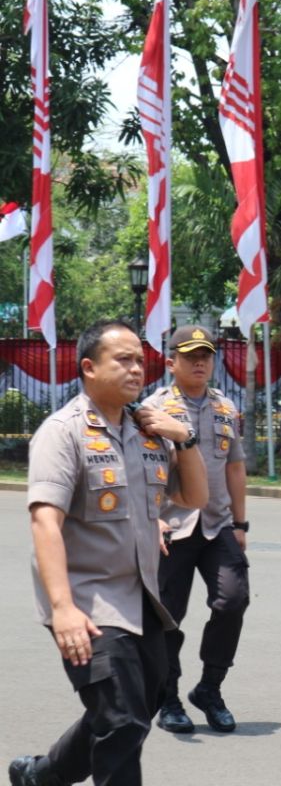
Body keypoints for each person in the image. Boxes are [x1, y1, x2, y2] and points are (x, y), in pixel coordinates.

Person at [9, 319, 208, 786]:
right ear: (88, 368)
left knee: (139, 706)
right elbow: (45, 522)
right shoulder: (63, 432)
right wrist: (62, 610)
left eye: (140, 360)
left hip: (142, 600)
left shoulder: (150, 430)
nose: (137, 369)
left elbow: (194, 499)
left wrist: (186, 438)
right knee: (122, 722)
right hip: (90, 604)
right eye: (123, 360)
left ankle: (44, 775)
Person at [143, 325, 249, 734]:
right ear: (171, 363)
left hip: (218, 523)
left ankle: (210, 687)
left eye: (205, 354)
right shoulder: (153, 410)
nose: (200, 362)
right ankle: (168, 698)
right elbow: (143, 473)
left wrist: (241, 523)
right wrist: (151, 519)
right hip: (172, 526)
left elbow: (235, 467)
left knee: (233, 600)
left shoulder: (224, 407)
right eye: (190, 356)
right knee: (170, 617)